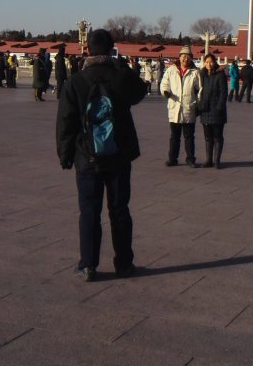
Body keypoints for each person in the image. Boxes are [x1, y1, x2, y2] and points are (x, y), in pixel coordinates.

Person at [56, 28, 147, 281]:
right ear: (111, 49)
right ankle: (124, 264)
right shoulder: (119, 77)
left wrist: (65, 155)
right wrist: (122, 67)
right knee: (119, 210)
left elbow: (66, 121)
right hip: (118, 156)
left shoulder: (75, 81)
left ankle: (88, 264)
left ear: (87, 50)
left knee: (89, 212)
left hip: (86, 157)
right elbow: (140, 91)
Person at [160, 45, 202, 167]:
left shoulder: (195, 72)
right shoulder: (171, 70)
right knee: (174, 136)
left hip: (189, 108)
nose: (185, 59)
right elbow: (164, 83)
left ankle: (190, 159)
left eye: (188, 57)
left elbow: (200, 90)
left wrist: (197, 104)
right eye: (183, 56)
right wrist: (165, 92)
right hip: (175, 108)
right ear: (179, 57)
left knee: (189, 136)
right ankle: (172, 158)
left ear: (191, 59)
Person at [199, 53, 228, 168]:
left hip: (216, 110)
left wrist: (220, 107)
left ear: (215, 62)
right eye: (206, 62)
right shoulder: (202, 74)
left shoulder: (220, 75)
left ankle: (217, 161)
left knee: (217, 137)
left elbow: (223, 92)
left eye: (211, 62)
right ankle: (208, 160)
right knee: (207, 137)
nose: (209, 64)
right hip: (205, 110)